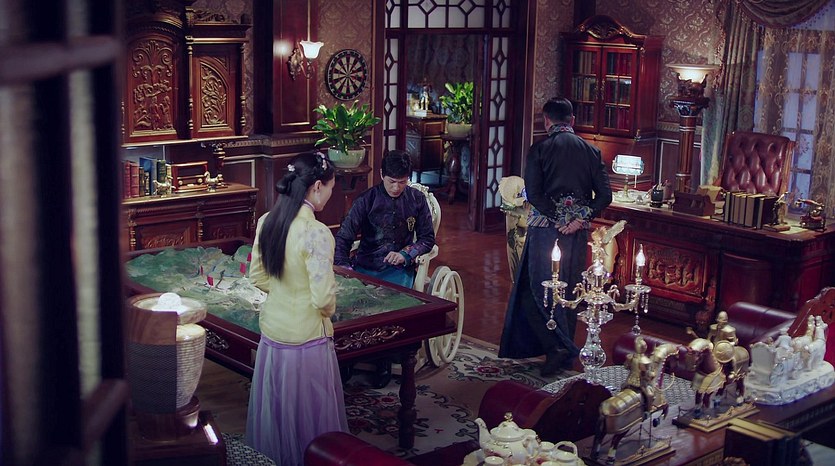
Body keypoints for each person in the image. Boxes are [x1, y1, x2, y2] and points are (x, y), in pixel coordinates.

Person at [245, 152, 347, 466]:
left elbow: (257, 276)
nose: (329, 195)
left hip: (273, 331)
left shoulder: (267, 221)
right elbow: (323, 300)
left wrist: (284, 292)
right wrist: (325, 306)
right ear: (316, 187)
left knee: (277, 410)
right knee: (310, 414)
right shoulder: (316, 233)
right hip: (307, 335)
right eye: (330, 188)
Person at [499, 97, 612, 377]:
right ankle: (563, 352)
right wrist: (578, 219)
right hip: (576, 234)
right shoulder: (592, 151)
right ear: (572, 120)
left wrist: (559, 218)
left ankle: (557, 348)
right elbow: (605, 196)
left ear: (546, 121)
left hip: (545, 231)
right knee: (570, 291)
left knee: (536, 290)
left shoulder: (539, 149)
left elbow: (534, 194)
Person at [334, 149, 436, 289]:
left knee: (395, 300)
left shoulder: (417, 199)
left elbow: (427, 238)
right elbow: (343, 238)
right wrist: (345, 269)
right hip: (365, 267)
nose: (396, 188)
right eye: (392, 181)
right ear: (382, 174)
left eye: (402, 182)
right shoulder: (366, 200)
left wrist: (405, 254)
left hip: (399, 270)